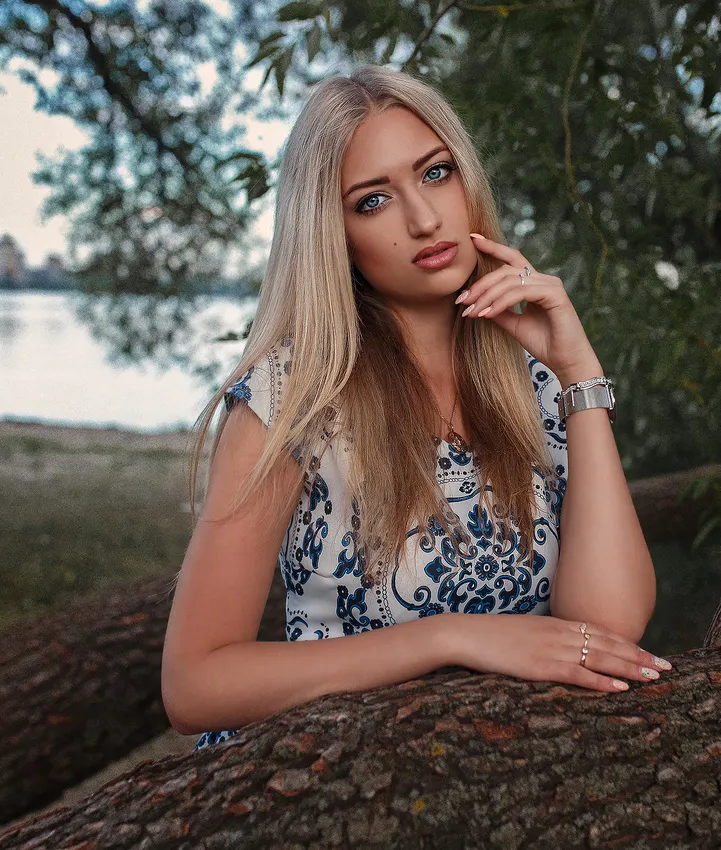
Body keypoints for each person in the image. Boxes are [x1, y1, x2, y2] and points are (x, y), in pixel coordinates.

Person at [161, 65, 664, 752]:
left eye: (435, 174)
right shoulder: (290, 400)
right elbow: (196, 686)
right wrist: (448, 638)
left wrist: (580, 374)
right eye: (373, 201)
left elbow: (606, 627)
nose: (425, 219)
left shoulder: (536, 378)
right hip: (319, 783)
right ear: (331, 234)